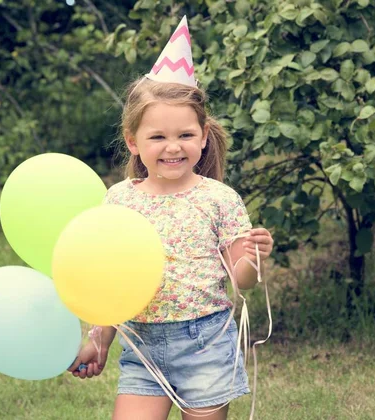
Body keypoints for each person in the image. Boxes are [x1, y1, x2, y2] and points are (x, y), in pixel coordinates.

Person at [67, 16, 274, 420]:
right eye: (157, 137)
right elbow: (112, 282)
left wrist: (253, 256)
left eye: (184, 135)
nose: (172, 147)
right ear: (133, 142)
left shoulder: (219, 199)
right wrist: (100, 339)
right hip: (141, 344)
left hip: (206, 343)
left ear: (202, 136)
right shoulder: (120, 200)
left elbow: (241, 281)